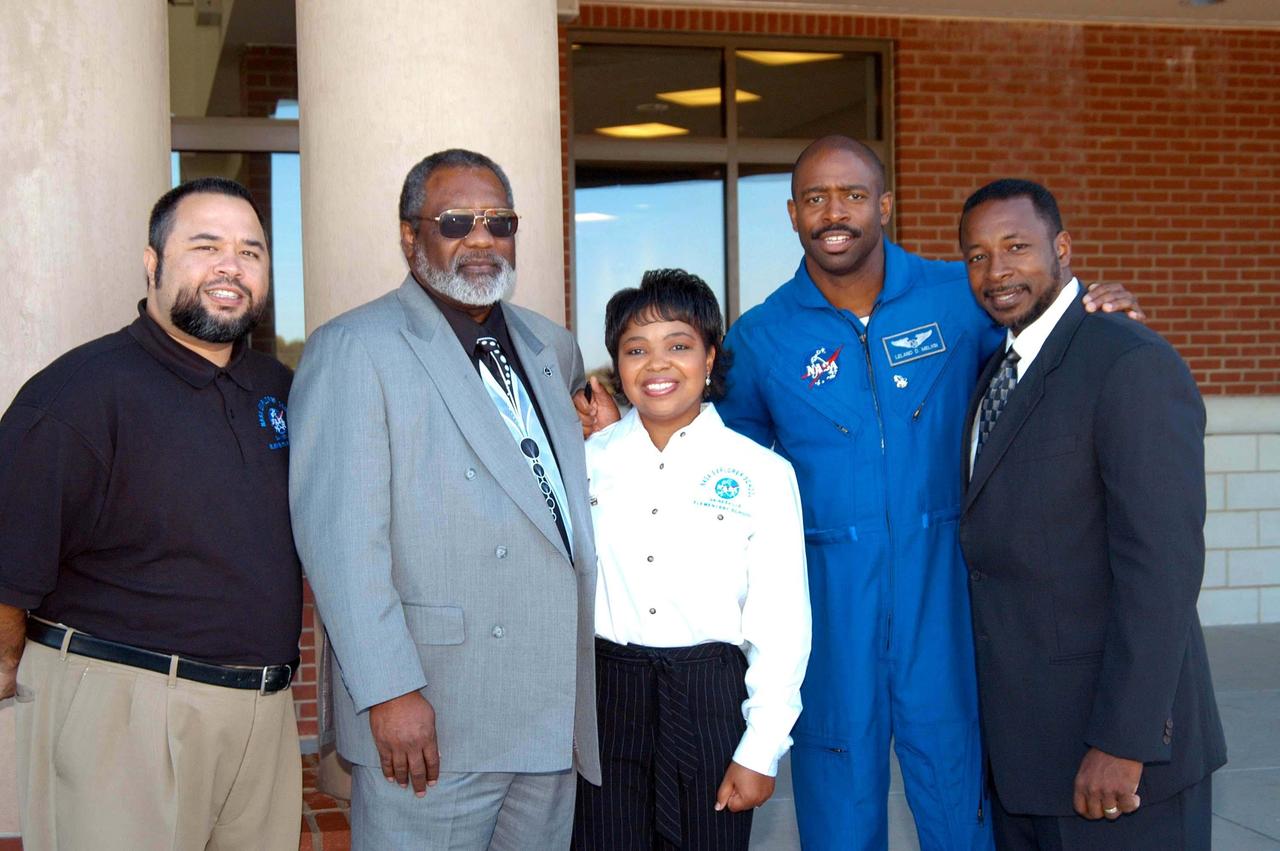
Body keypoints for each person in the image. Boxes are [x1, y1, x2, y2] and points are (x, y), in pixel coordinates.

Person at [288, 148, 601, 850]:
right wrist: (388, 689)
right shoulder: (354, 347)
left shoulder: (551, 346)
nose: (482, 238)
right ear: (410, 235)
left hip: (548, 709)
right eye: (456, 220)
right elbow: (342, 543)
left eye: (500, 220)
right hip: (433, 710)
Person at [0, 178, 303, 851]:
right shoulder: (78, 394)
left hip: (264, 714)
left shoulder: (280, 390)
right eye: (206, 246)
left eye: (251, 251)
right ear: (152, 263)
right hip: (124, 709)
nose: (231, 265)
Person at [957, 179, 1226, 850]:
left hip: (1117, 768)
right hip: (1024, 762)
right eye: (978, 255)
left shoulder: (1130, 361)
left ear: (1064, 248)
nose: (997, 271)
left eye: (1016, 246)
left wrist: (1124, 739)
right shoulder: (996, 371)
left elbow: (1161, 567)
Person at [572, 269, 811, 851]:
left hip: (709, 700)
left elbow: (781, 625)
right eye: (636, 349)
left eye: (678, 345)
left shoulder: (761, 473)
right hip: (607, 700)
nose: (657, 365)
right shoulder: (581, 464)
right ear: (617, 366)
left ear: (709, 358)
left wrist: (760, 749)